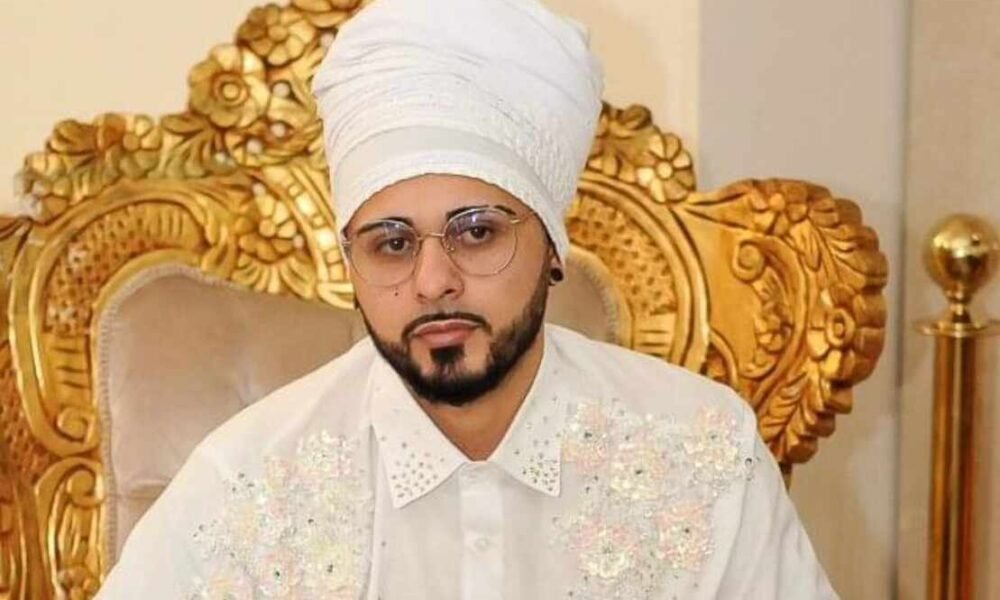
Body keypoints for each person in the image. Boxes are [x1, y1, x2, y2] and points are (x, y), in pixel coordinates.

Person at [98, 0, 838, 598]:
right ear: (350, 263)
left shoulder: (700, 454)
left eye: (477, 232)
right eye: (392, 244)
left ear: (553, 246)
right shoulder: (251, 483)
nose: (433, 280)